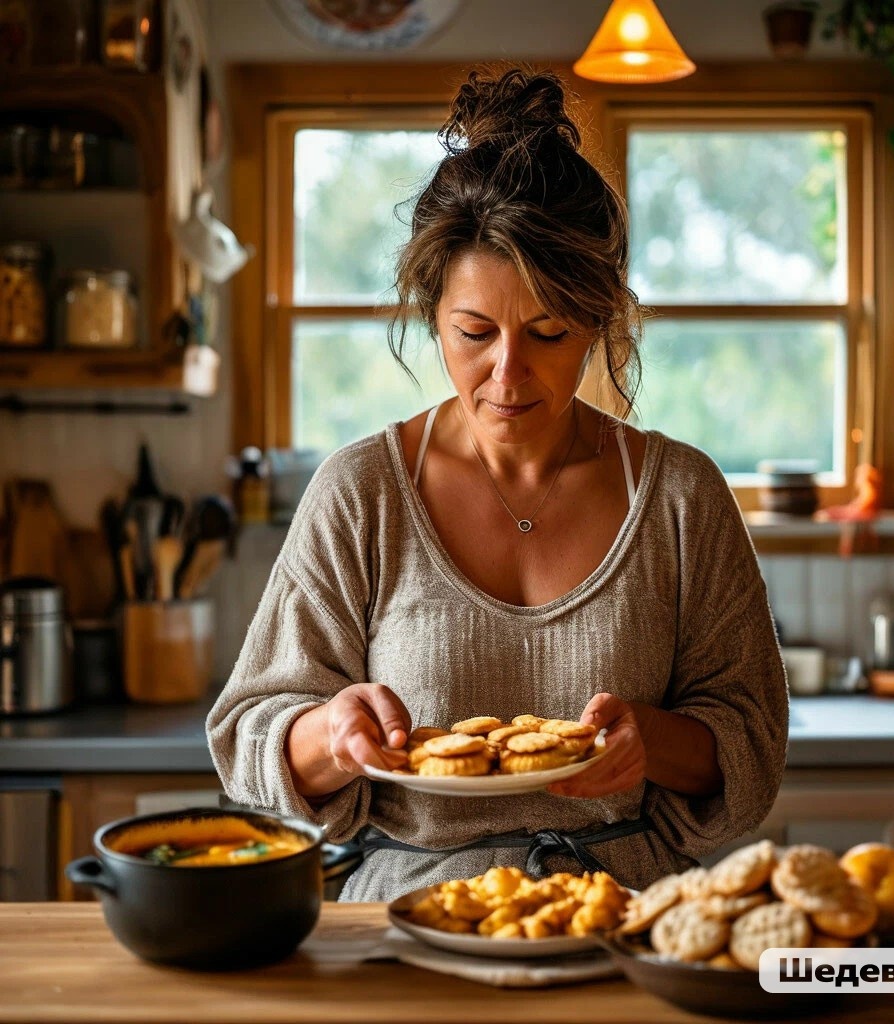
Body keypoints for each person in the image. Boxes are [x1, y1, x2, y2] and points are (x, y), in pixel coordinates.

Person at [207, 66, 788, 902]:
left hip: (624, 920)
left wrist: (648, 743)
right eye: (474, 332)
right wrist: (333, 736)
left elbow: (752, 745)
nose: (507, 374)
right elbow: (248, 739)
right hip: (410, 919)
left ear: (599, 319)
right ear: (431, 311)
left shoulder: (681, 497)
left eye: (548, 333)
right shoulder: (363, 492)